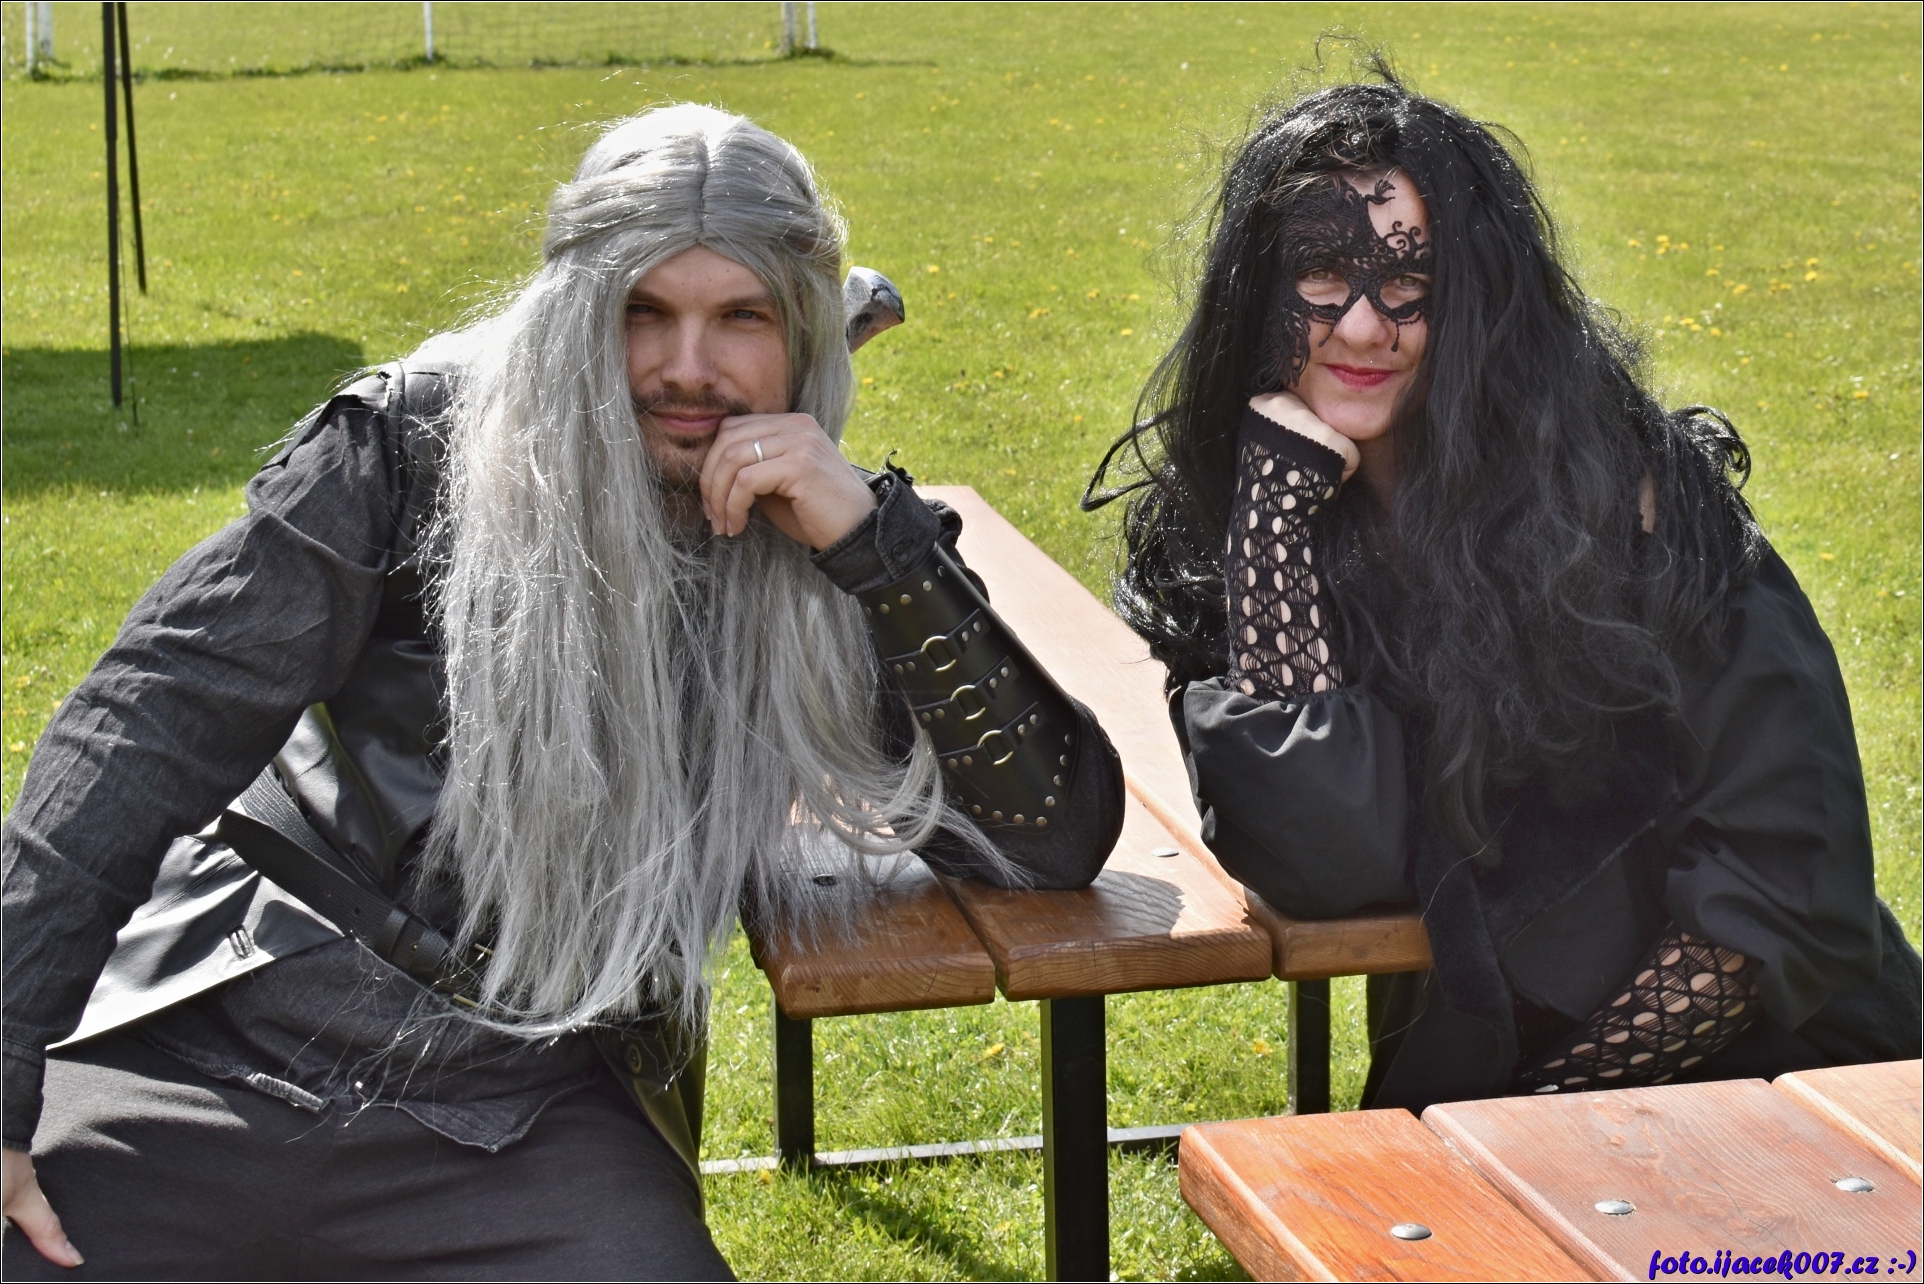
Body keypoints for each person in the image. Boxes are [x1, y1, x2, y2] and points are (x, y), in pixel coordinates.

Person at [3, 103, 1124, 1278]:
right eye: (643, 310)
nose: (686, 366)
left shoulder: (821, 536)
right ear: (575, 310)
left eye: (740, 316)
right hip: (224, 1036)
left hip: (526, 1106)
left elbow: (1048, 837)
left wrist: (877, 554)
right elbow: (145, 727)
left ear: (802, 330)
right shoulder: (403, 449)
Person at [1084, 71, 1919, 1115]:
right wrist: (1270, 525)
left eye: (1409, 281)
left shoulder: (1635, 510)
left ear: (1479, 299)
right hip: (1487, 1075)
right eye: (1320, 273)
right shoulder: (1267, 517)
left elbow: (1776, 902)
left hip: (1781, 1080)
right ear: (1257, 294)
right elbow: (1328, 862)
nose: (1361, 328)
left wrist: (1524, 1114)